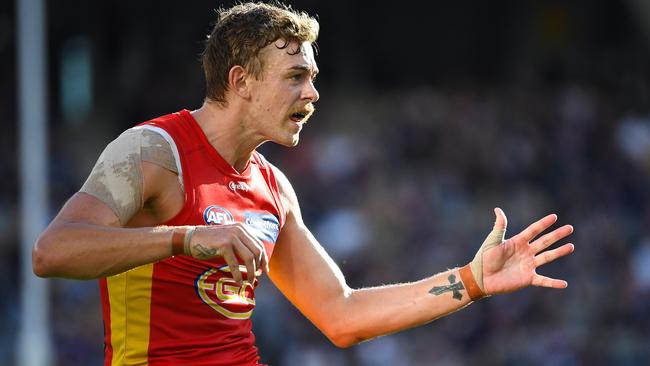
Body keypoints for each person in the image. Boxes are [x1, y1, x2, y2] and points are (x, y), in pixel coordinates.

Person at [32, 2, 575, 365]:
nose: (313, 95)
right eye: (296, 77)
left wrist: (472, 280)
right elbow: (53, 251)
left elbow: (341, 314)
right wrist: (185, 237)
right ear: (240, 81)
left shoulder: (273, 189)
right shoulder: (154, 152)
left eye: (313, 78)